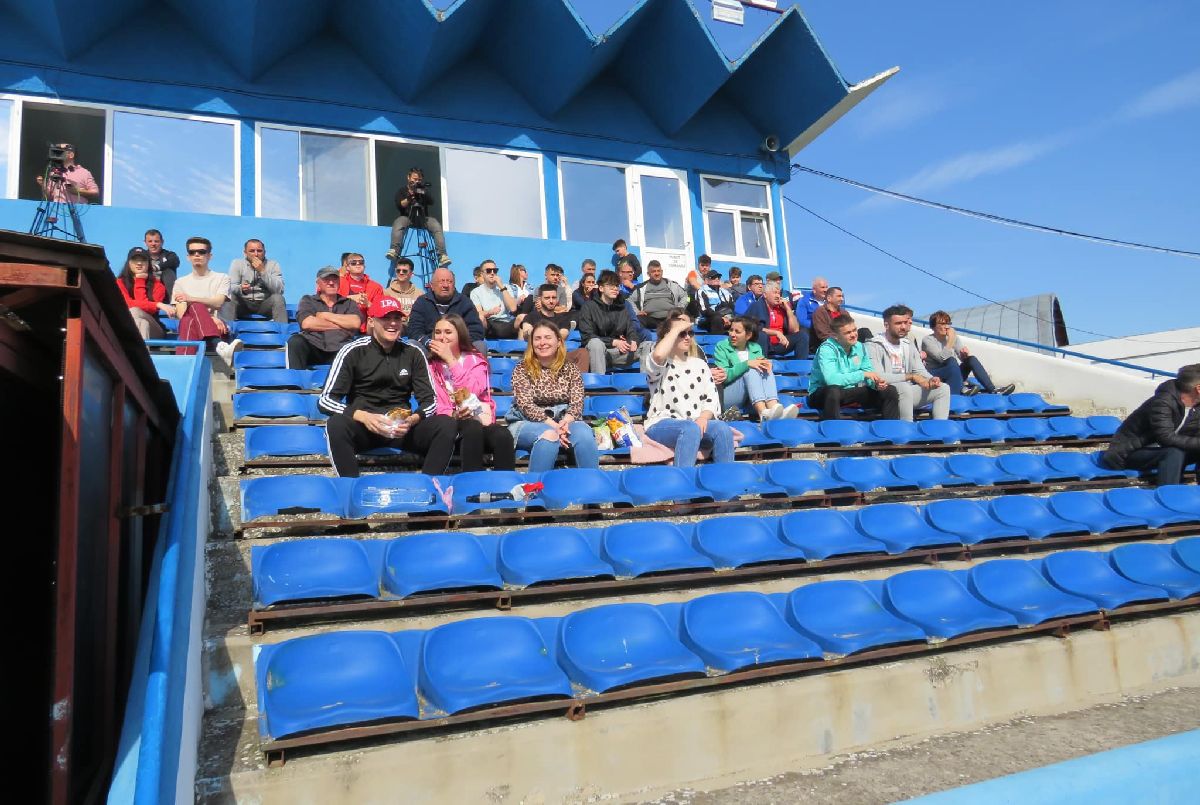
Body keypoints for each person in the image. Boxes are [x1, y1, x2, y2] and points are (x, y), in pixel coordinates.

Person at [318, 296, 456, 477]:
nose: (392, 324)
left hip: (402, 429)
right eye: (386, 318)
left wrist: (412, 419)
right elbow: (326, 400)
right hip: (364, 428)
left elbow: (430, 401)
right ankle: (350, 489)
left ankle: (429, 488)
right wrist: (364, 417)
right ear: (372, 321)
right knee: (336, 424)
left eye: (397, 318)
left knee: (446, 424)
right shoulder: (352, 351)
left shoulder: (413, 353)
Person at [643, 310, 735, 468]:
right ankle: (683, 484)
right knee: (690, 428)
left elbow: (711, 400)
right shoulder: (660, 363)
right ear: (669, 335)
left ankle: (725, 487)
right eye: (681, 333)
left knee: (722, 428)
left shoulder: (700, 364)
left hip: (694, 422)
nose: (687, 337)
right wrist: (674, 329)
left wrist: (703, 418)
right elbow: (658, 356)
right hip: (661, 423)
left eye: (690, 333)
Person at [427, 314, 516, 471]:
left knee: (502, 435)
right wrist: (453, 414)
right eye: (438, 332)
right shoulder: (430, 366)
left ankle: (507, 485)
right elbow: (432, 400)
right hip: (448, 424)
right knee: (471, 428)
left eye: (448, 332)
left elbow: (473, 390)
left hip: (478, 418)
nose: (442, 337)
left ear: (459, 334)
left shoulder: (475, 360)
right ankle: (471, 483)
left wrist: (452, 362)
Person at [507, 321, 599, 473]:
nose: (542, 342)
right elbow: (526, 406)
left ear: (558, 342)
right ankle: (534, 490)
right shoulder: (521, 368)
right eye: (537, 339)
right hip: (526, 422)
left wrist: (565, 422)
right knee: (549, 436)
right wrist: (556, 427)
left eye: (547, 337)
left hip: (564, 421)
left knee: (584, 433)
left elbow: (577, 403)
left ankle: (593, 486)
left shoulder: (571, 369)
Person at [1101, 364, 1200, 486]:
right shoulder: (1164, 401)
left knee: (1178, 451)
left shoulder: (1197, 407)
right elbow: (1165, 438)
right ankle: (1168, 496)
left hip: (1165, 451)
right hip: (1129, 452)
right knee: (1174, 452)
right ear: (1198, 388)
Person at [865, 304, 950, 422]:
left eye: (905, 322)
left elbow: (919, 370)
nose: (904, 327)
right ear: (886, 325)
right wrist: (910, 376)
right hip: (883, 394)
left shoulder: (908, 344)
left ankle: (941, 432)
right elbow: (878, 376)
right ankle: (906, 432)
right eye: (898, 323)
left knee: (943, 388)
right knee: (904, 387)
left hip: (907, 393)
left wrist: (931, 379)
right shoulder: (873, 345)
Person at [808, 315, 900, 421]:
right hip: (821, 394)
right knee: (833, 391)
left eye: (854, 330)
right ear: (835, 336)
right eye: (847, 333)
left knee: (890, 391)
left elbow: (868, 372)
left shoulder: (860, 347)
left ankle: (890, 432)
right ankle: (832, 432)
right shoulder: (826, 349)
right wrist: (862, 375)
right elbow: (831, 380)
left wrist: (876, 384)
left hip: (848, 392)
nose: (853, 335)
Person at [714, 316, 797, 421]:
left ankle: (773, 408)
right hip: (728, 395)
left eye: (737, 332)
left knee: (765, 368)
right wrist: (746, 364)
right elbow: (723, 377)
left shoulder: (756, 347)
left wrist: (766, 365)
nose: (732, 334)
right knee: (752, 369)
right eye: (731, 330)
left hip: (750, 398)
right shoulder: (721, 346)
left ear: (748, 335)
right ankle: (763, 413)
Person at [173, 237, 242, 361]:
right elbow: (181, 313)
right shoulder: (180, 283)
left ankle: (182, 363)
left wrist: (190, 299)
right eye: (192, 252)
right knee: (188, 319)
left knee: (194, 307)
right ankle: (220, 346)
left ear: (210, 256)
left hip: (219, 328)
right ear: (188, 257)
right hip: (197, 326)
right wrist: (209, 318)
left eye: (202, 252)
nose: (197, 255)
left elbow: (218, 302)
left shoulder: (222, 278)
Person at [921, 310, 1015, 396]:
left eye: (948, 323)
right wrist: (951, 341)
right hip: (937, 376)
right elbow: (942, 359)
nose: (947, 326)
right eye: (942, 323)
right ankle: (961, 388)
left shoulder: (953, 337)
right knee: (951, 361)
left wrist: (964, 355)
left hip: (953, 373)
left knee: (971, 359)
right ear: (933, 326)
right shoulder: (928, 340)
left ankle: (993, 389)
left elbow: (962, 357)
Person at [287, 266, 363, 369]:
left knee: (364, 342)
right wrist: (343, 325)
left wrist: (325, 315)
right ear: (318, 283)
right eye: (326, 279)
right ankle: (295, 383)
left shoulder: (349, 303)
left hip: (342, 349)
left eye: (334, 279)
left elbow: (355, 323)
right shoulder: (308, 300)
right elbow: (307, 323)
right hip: (314, 347)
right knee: (295, 341)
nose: (331, 283)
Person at [578, 270, 652, 374]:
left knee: (648, 345)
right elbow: (587, 336)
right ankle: (599, 385)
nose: (615, 288)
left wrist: (633, 340)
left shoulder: (622, 308)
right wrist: (614, 342)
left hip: (619, 352)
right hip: (599, 353)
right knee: (595, 343)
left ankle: (645, 383)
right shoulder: (588, 307)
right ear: (601, 288)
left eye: (617, 285)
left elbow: (631, 330)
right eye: (610, 285)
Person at [406, 268, 486, 353]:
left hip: (458, 351)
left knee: (480, 345)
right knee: (412, 344)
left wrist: (456, 344)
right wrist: (430, 343)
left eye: (449, 281)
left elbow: (476, 331)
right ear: (432, 285)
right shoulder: (422, 302)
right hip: (430, 349)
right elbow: (414, 330)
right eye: (441, 281)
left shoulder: (465, 302)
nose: (445, 285)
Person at [386, 166, 451, 268]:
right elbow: (401, 205)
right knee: (398, 222)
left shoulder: (422, 190)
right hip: (407, 218)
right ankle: (394, 250)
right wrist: (410, 196)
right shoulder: (402, 190)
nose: (417, 181)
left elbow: (431, 201)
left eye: (419, 180)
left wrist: (421, 191)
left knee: (436, 225)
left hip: (423, 218)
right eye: (415, 179)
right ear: (409, 177)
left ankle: (442, 255)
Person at [116, 246, 174, 340]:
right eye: (135, 260)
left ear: (148, 264)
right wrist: (158, 304)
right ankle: (143, 354)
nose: (139, 263)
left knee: (135, 311)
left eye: (143, 260)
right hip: (128, 327)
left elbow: (147, 311)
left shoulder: (158, 286)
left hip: (155, 330)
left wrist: (140, 281)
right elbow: (127, 304)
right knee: (142, 323)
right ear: (129, 263)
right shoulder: (120, 282)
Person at [223, 239, 287, 323]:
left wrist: (263, 272)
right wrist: (241, 288)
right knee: (229, 297)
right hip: (243, 304)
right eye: (252, 251)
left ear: (264, 252)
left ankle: (282, 333)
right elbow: (230, 287)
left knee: (278, 298)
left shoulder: (273, 265)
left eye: (259, 251)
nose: (256, 254)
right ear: (245, 252)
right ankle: (227, 331)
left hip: (264, 304)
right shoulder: (237, 263)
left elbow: (279, 290)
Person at [747, 279, 809, 359]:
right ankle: (762, 364)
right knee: (762, 335)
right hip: (764, 344)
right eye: (774, 293)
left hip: (781, 344)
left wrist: (788, 309)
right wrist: (776, 333)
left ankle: (801, 368)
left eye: (779, 293)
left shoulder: (781, 308)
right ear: (765, 295)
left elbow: (795, 330)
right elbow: (751, 328)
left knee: (802, 335)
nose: (778, 296)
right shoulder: (756, 306)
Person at [631, 260, 688, 330]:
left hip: (670, 319)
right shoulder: (641, 287)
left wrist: (679, 308)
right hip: (650, 319)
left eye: (658, 271)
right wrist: (637, 311)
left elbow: (687, 297)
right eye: (653, 271)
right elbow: (629, 300)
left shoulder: (672, 285)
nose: (657, 273)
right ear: (648, 274)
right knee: (636, 320)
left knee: (684, 318)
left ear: (662, 272)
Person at [470, 259, 518, 339]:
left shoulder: (506, 287)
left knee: (522, 318)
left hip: (506, 322)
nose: (492, 273)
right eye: (488, 271)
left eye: (495, 270)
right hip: (490, 323)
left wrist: (501, 286)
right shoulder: (476, 292)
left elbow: (513, 308)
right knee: (480, 318)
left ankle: (522, 348)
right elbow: (478, 314)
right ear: (482, 274)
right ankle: (480, 346)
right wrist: (490, 312)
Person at [338, 252, 384, 332]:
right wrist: (349, 298)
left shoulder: (376, 287)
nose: (358, 264)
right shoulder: (338, 282)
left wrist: (368, 304)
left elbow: (381, 311)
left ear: (364, 266)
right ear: (347, 267)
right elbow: (330, 304)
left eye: (361, 262)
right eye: (353, 263)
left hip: (364, 332)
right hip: (341, 328)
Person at [694, 269, 734, 334]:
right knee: (717, 319)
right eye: (713, 277)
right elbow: (705, 311)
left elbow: (732, 307)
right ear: (706, 280)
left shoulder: (725, 292)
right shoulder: (702, 291)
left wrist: (728, 317)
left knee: (741, 320)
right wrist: (722, 317)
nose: (717, 279)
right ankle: (717, 341)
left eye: (718, 277)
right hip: (707, 318)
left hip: (726, 316)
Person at [144, 229, 180, 301]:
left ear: (162, 242)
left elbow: (175, 261)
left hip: (166, 293)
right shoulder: (141, 256)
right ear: (145, 243)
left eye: (156, 241)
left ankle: (175, 302)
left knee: (168, 272)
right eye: (150, 241)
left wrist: (156, 267)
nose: (153, 244)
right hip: (148, 291)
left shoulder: (170, 255)